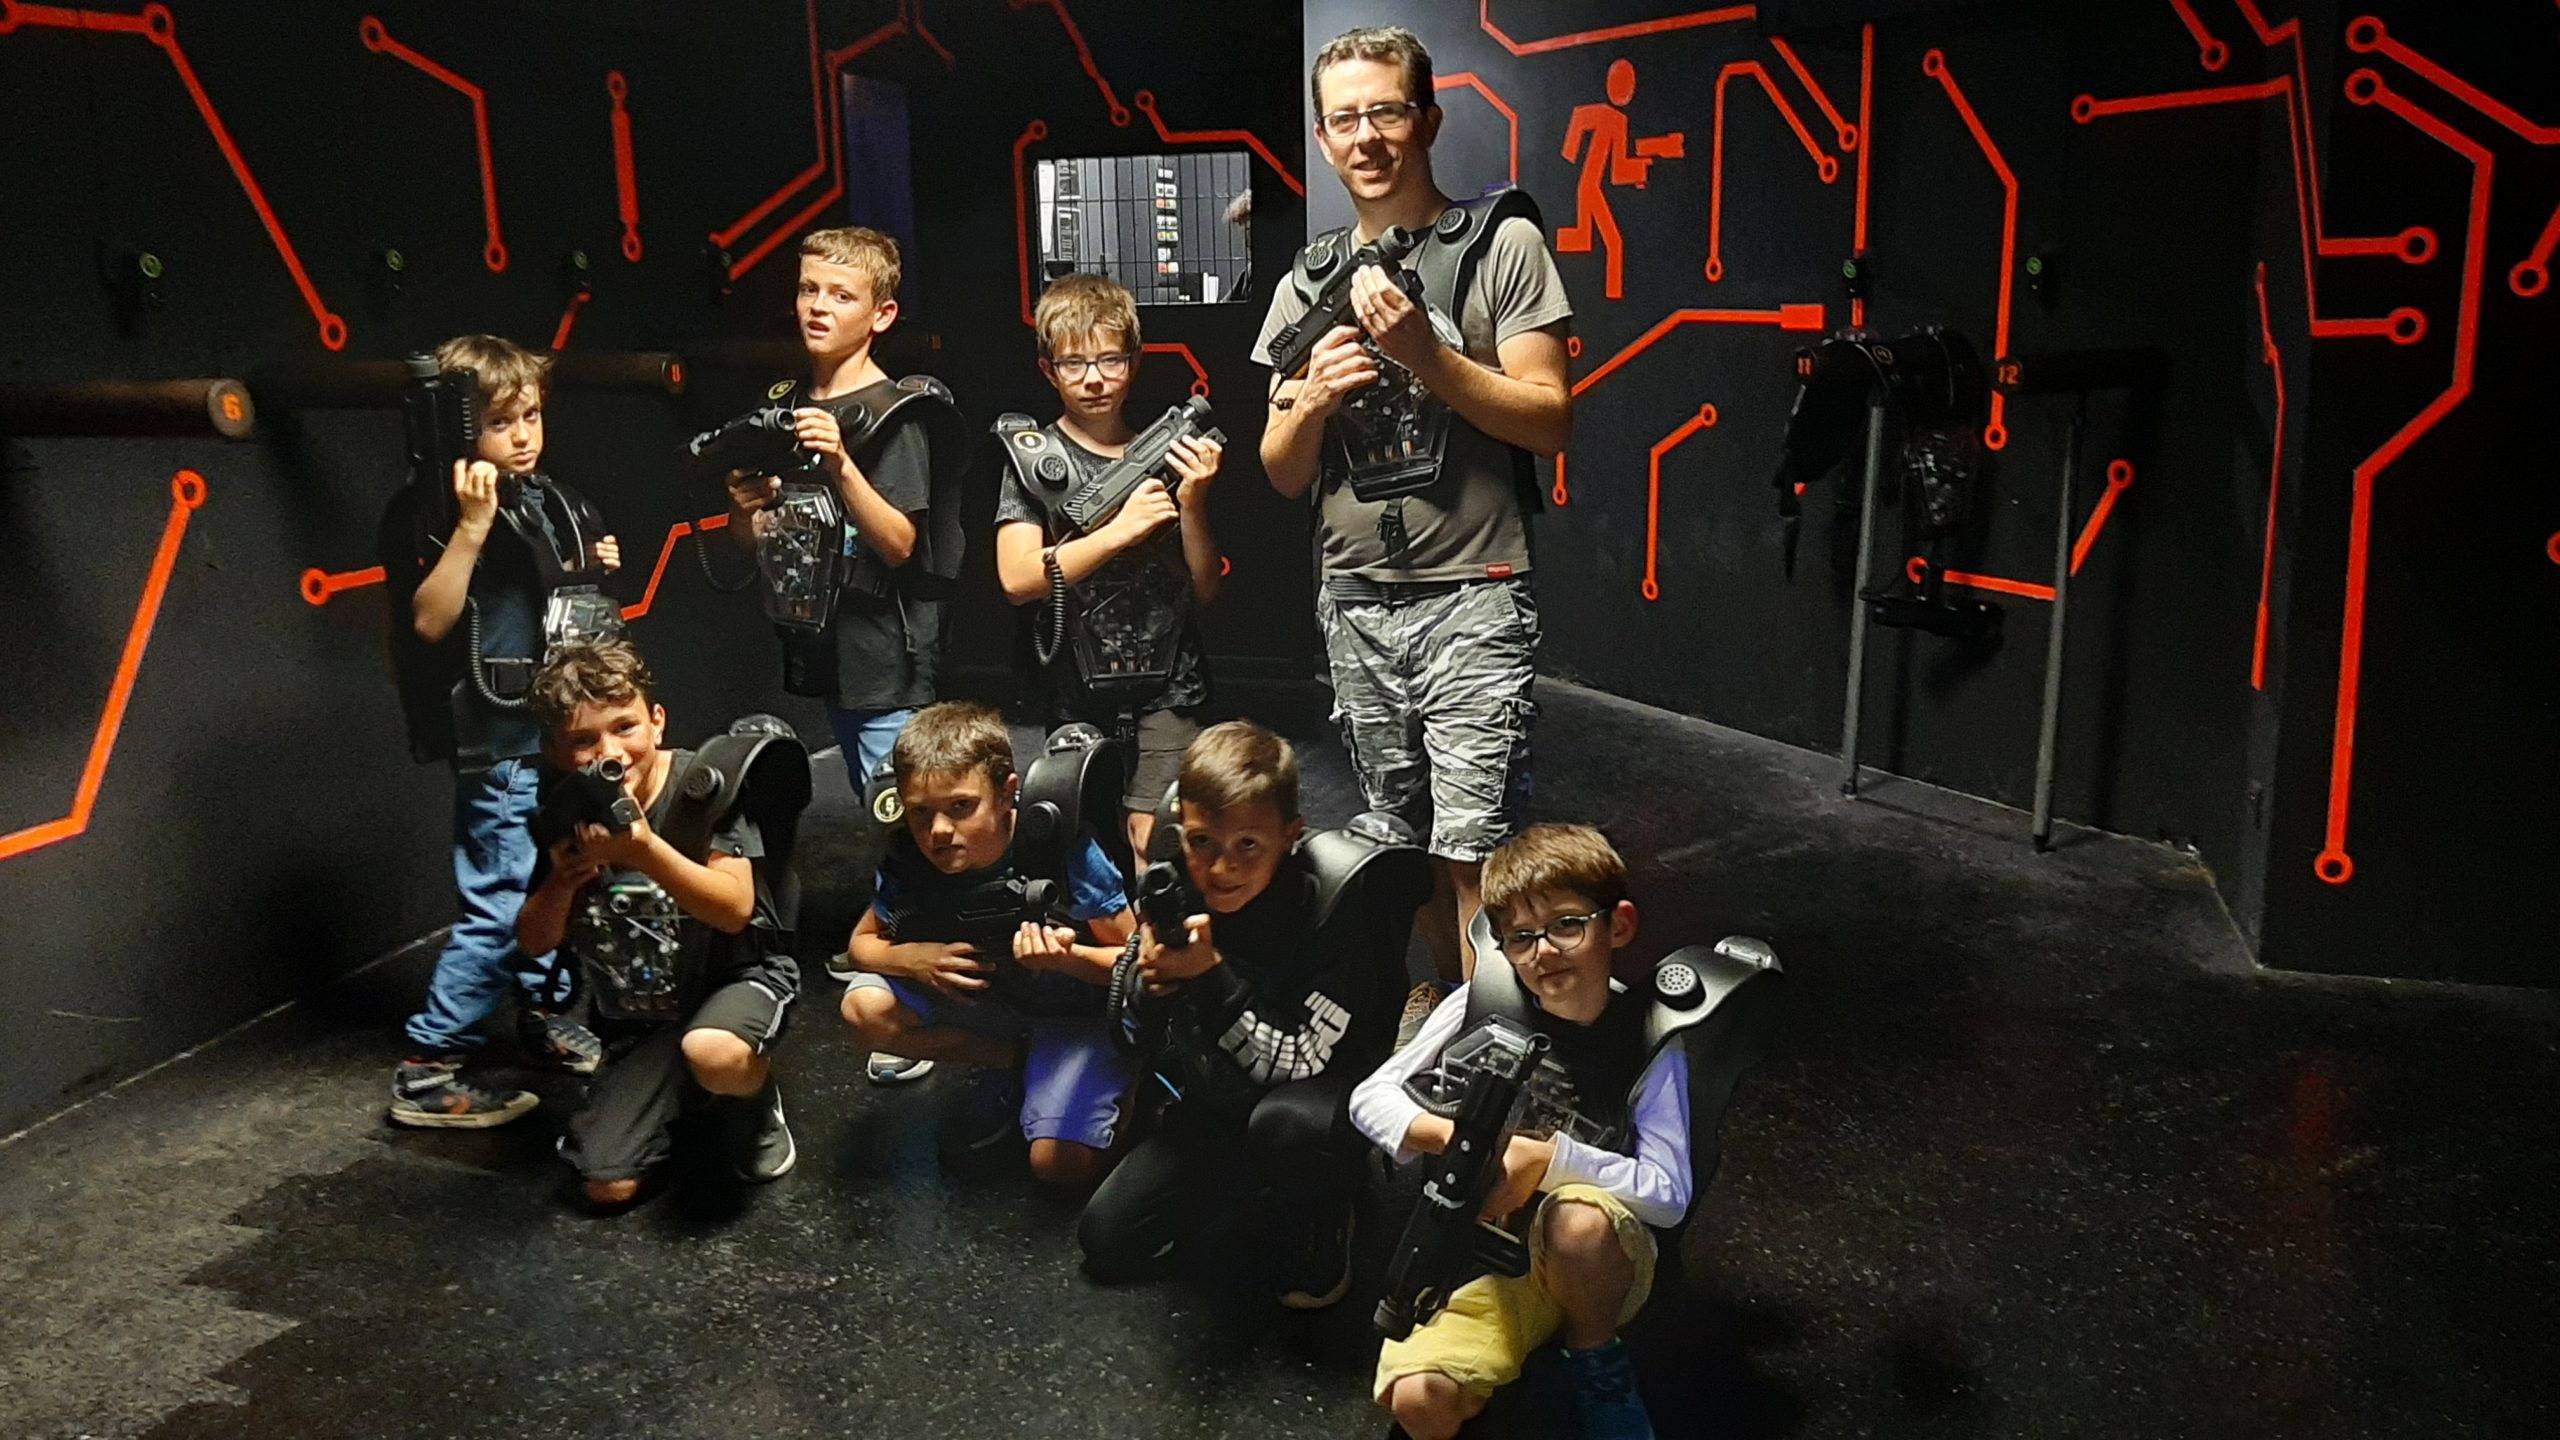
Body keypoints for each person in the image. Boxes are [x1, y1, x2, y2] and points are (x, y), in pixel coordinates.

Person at [1255, 26, 1574, 992]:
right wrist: (1312, 400)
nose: (1367, 137)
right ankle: (1446, 1004)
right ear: (1322, 137)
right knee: (1403, 839)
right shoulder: (1308, 281)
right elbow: (1280, 469)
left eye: (1387, 111)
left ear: (1427, 120)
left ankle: (1492, 1036)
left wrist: (1426, 356)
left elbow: (1549, 419)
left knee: (1476, 846)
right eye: (1345, 118)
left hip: (1472, 589)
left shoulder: (1500, 243)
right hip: (1356, 595)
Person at [722, 225, 965, 1087]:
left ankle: (917, 994)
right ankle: (895, 948)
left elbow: (900, 543)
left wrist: (839, 465)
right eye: (809, 290)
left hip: (886, 653)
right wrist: (747, 506)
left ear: (881, 313)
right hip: (823, 646)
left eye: (841, 294)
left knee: (911, 819)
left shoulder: (897, 413)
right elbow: (766, 543)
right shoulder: (787, 400)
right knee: (884, 809)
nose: (819, 307)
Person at [1351, 825, 1683, 1440]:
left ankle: (1598, 1361)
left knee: (1578, 1225)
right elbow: (1369, 1099)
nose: (1544, 952)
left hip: (1600, 1254)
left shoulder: (1651, 1037)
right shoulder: (1480, 1004)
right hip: (1483, 1255)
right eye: (1521, 937)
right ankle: (1512, 1358)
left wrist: (1547, 1160)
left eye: (1567, 925)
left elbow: (1667, 1194)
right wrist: (1459, 1140)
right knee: (1419, 1402)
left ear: (1619, 925)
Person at [1076, 722, 1422, 1308]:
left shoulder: (1335, 909)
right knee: (1108, 1240)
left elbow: (1300, 1059)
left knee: (1288, 1126)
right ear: (1180, 826)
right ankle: (1249, 1181)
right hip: (1217, 1097)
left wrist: (1211, 979)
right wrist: (1151, 985)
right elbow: (1131, 1020)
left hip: (1311, 1096)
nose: (1221, 867)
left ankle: (1325, 1205)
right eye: (1202, 841)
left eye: (1248, 846)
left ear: (1290, 836)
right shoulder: (1175, 881)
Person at [379, 333, 621, 1126]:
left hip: (551, 736)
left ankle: (541, 1017)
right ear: (459, 428)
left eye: (531, 417)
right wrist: (471, 529)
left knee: (561, 880)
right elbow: (429, 620)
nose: (522, 437)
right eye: (499, 423)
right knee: (499, 901)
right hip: (500, 743)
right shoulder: (434, 511)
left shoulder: (539, 497)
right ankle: (428, 1065)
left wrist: (589, 565)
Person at [515, 641, 801, 1209]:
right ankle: (684, 1094)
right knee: (606, 1184)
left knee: (714, 1052)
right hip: (641, 1011)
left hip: (733, 978)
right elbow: (533, 941)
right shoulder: (566, 813)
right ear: (555, 752)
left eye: (625, 727)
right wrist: (563, 883)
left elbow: (734, 908)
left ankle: (751, 1099)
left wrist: (645, 852)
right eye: (584, 740)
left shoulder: (705, 787)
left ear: (657, 721)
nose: (610, 753)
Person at [837, 702, 1138, 1188]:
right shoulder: (910, 854)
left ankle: (1126, 1088)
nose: (938, 831)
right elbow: (861, 945)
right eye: (920, 813)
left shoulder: (1061, 848)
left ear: (1006, 795)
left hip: (1073, 1012)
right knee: (865, 1009)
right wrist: (912, 959)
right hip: (996, 1003)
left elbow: (1137, 963)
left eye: (961, 807)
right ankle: (1011, 1061)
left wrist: (1069, 958)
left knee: (1058, 1166)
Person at [993, 273, 1224, 861]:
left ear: (1134, 363)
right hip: (1075, 684)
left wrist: (1194, 502)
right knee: (1083, 840)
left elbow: (1204, 586)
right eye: (1073, 364)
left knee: (1155, 837)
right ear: (1048, 371)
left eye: (1109, 360)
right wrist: (1120, 531)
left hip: (1170, 683)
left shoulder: (1168, 454)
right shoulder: (1035, 462)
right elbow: (1018, 578)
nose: (1093, 378)